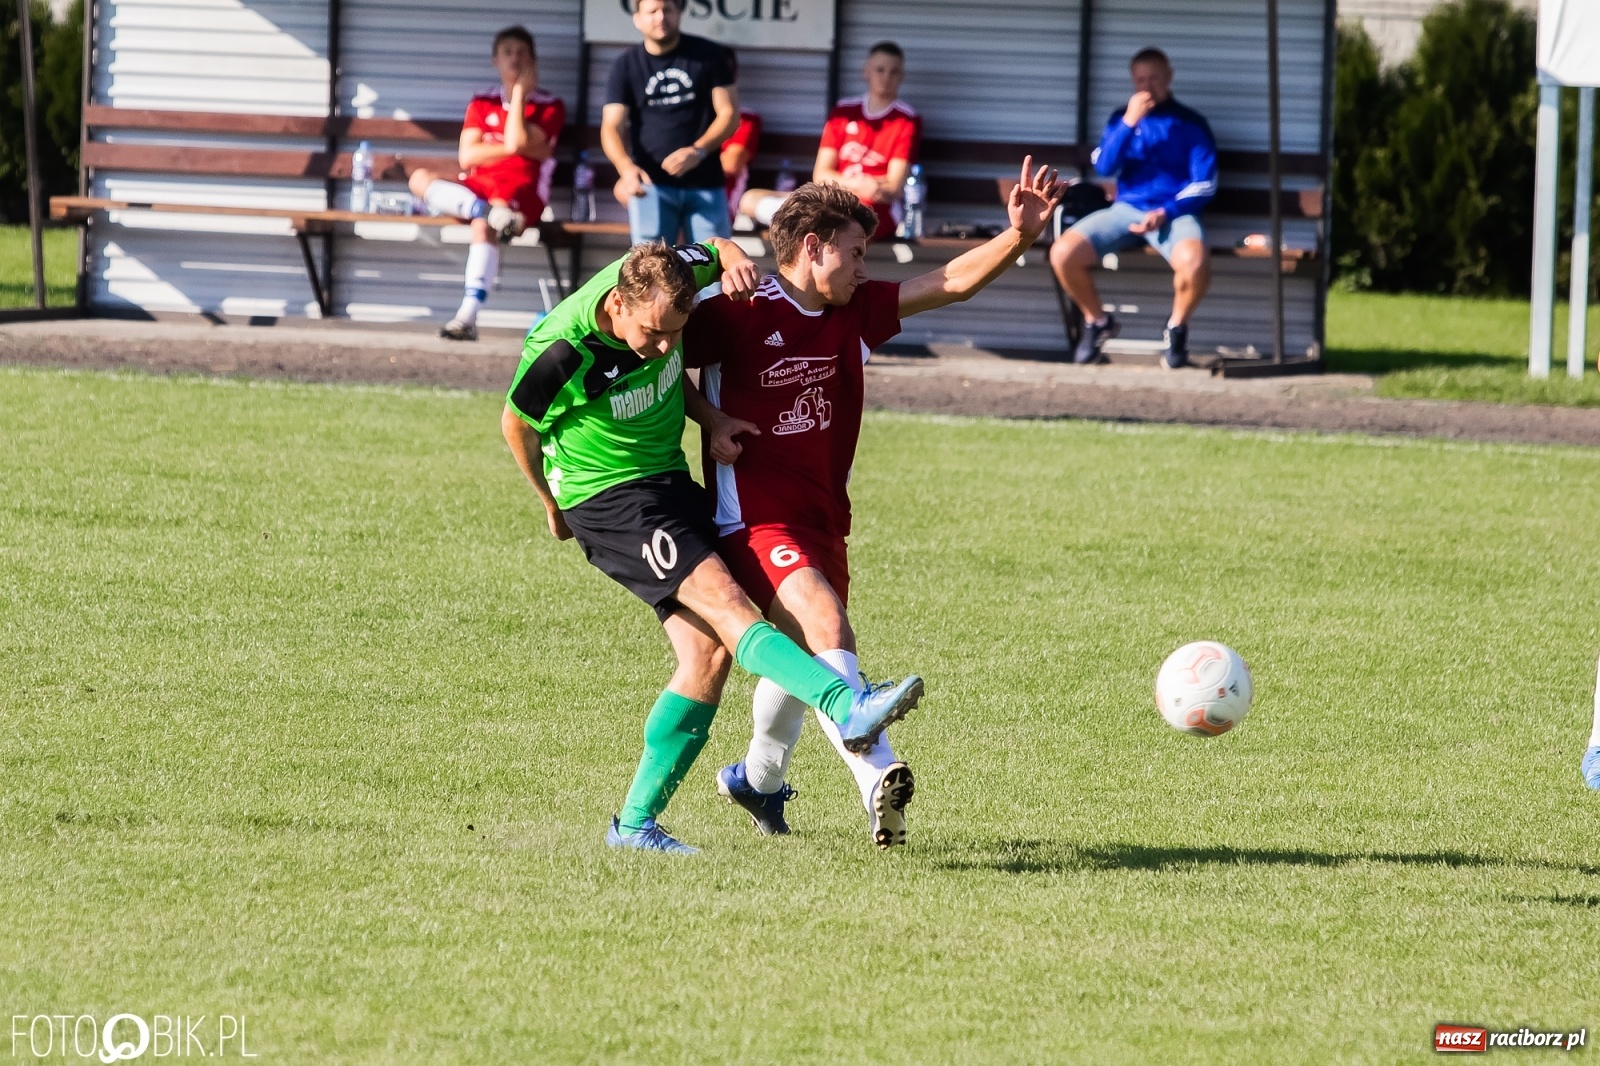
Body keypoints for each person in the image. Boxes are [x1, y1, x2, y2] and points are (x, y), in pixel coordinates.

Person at [500, 239, 927, 856]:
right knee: (730, 606)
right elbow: (515, 424)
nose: (665, 346)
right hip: (609, 497)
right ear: (617, 304)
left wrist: (713, 409)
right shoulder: (564, 351)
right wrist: (551, 504)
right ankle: (847, 704)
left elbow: (722, 250)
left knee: (707, 658)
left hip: (668, 481)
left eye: (677, 332)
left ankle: (634, 826)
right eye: (651, 332)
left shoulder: (673, 275)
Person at [683, 160, 1063, 848]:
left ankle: (757, 781)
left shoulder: (852, 309)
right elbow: (653, 352)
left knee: (807, 661)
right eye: (856, 252)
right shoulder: (737, 312)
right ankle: (879, 778)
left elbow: (948, 282)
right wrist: (707, 420)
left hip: (825, 517)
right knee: (831, 631)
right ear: (813, 247)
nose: (865, 267)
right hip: (752, 516)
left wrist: (1020, 238)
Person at [1047, 47, 1216, 369]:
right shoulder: (1120, 118)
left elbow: (1205, 184)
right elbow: (1104, 165)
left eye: (1154, 78)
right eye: (1140, 79)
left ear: (1169, 77)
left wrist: (1165, 212)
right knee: (1063, 253)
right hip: (1125, 211)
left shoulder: (1191, 124)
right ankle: (1098, 322)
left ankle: (1176, 329)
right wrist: (1129, 122)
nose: (1148, 85)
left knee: (1194, 264)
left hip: (1173, 213)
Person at [407, 26, 565, 343]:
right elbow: (467, 156)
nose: (514, 58)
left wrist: (519, 93)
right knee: (419, 178)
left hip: (522, 189)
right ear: (495, 59)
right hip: (479, 187)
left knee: (484, 225)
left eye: (522, 52)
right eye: (507, 51)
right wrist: (513, 147)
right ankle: (486, 211)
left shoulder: (550, 106)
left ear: (533, 61)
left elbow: (518, 139)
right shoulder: (482, 102)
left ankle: (466, 317)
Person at [739, 41, 920, 241]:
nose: (886, 77)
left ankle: (804, 227)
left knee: (828, 222)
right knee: (750, 199)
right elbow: (821, 175)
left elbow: (892, 188)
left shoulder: (907, 120)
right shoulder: (843, 111)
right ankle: (805, 226)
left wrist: (848, 183)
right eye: (880, 70)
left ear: (902, 76)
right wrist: (860, 184)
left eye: (894, 72)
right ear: (866, 71)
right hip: (830, 199)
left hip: (871, 210)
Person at [601, 0, 740, 246]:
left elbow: (729, 114)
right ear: (637, 19)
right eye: (652, 11)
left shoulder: (709, 56)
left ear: (679, 13)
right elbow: (612, 126)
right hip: (650, 186)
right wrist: (625, 168)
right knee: (650, 271)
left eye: (667, 9)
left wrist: (699, 150)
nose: (660, 17)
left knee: (712, 267)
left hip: (705, 184)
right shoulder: (625, 65)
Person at [721, 109, 762, 225]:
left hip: (721, 204)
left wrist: (695, 156)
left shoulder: (745, 118)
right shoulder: (682, 114)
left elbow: (731, 164)